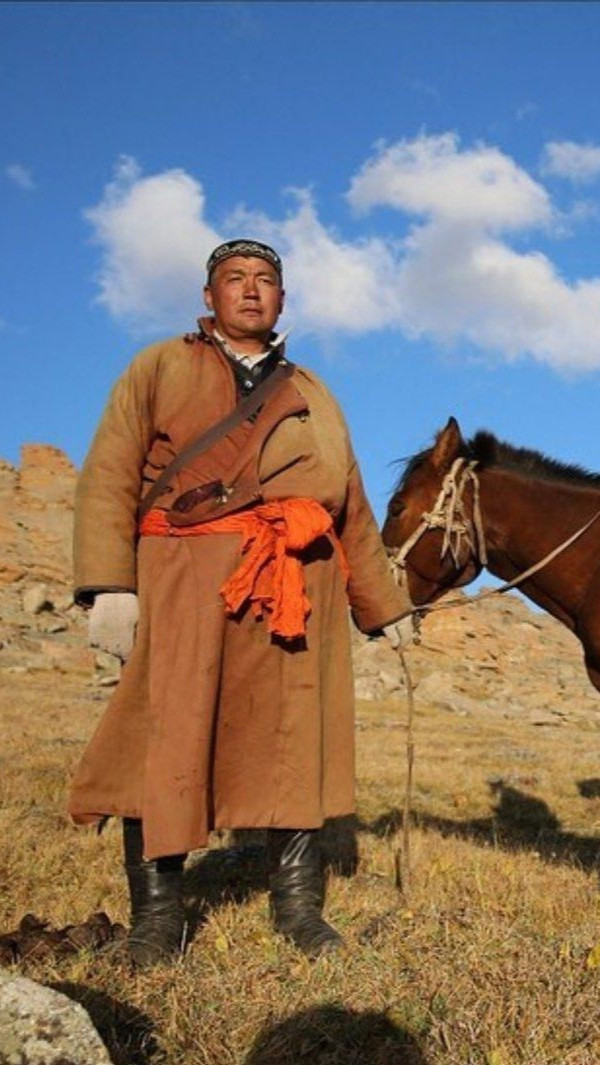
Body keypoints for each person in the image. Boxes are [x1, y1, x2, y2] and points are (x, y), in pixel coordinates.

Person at [70, 239, 415, 965]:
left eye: (266, 281)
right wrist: (111, 584)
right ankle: (158, 917)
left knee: (293, 738)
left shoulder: (315, 391)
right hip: (184, 575)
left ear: (283, 300)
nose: (251, 291)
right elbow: (110, 470)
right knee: (166, 735)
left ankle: (298, 909)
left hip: (297, 584)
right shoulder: (159, 365)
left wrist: (382, 604)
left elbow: (348, 499)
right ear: (209, 296)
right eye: (235, 279)